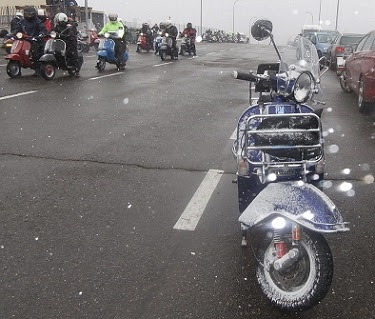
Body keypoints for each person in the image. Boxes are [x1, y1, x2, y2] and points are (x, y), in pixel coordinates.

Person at [12, 6, 47, 75]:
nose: (28, 15)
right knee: (16, 49)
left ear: (34, 14)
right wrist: (12, 34)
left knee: (35, 52)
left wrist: (40, 35)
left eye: (30, 14)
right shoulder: (22, 22)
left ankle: (37, 68)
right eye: (27, 14)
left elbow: (43, 30)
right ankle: (18, 66)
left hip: (35, 40)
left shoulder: (38, 21)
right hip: (24, 40)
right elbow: (16, 29)